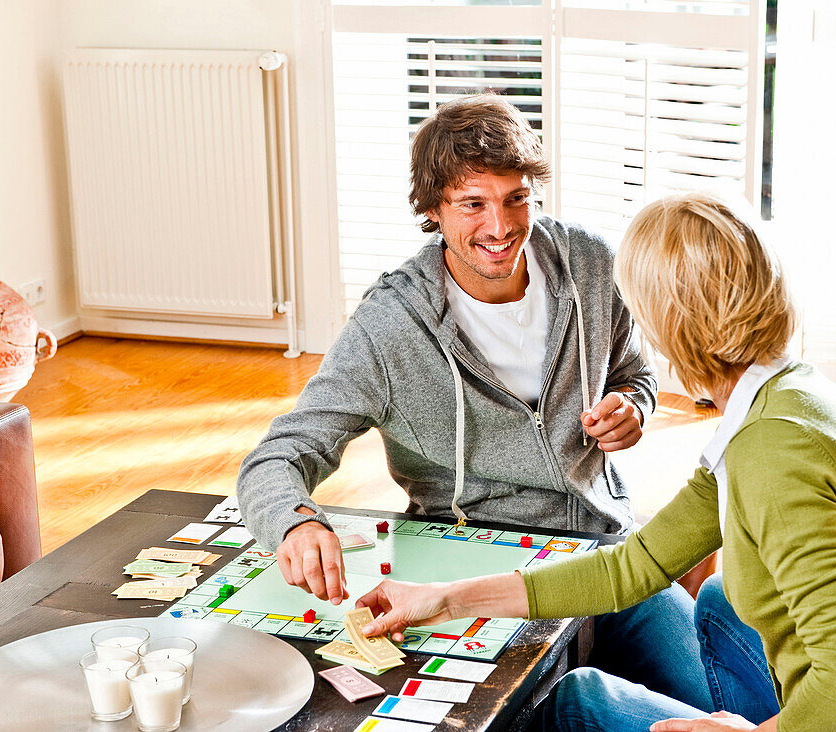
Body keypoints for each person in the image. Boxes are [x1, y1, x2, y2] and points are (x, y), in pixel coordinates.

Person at [355, 191, 836, 731]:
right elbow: (632, 566)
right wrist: (445, 599)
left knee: (582, 701)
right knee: (707, 597)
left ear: (674, 324)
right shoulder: (785, 398)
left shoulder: (772, 457)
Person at [237, 94, 713, 711]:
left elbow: (632, 372)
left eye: (516, 198)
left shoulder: (591, 264)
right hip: (467, 564)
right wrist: (295, 521)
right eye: (473, 204)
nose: (500, 226)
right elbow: (279, 456)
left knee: (712, 705)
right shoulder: (390, 326)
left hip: (604, 551)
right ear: (433, 209)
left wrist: (632, 404)